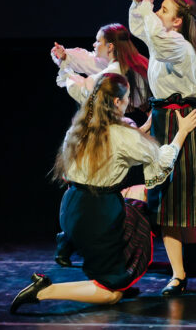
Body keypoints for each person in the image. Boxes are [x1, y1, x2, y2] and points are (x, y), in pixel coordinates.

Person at [10, 73, 196, 313]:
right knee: (111, 295)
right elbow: (160, 160)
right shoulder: (121, 135)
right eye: (127, 97)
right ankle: (45, 290)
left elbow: (116, 146)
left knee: (137, 203)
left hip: (71, 208)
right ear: (118, 102)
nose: (129, 102)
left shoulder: (80, 128)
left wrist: (141, 130)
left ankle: (104, 268)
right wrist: (182, 132)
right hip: (98, 214)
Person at [128, 0, 196, 295]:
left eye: (164, 10)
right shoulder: (162, 40)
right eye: (158, 9)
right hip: (163, 121)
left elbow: (155, 38)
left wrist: (146, 8)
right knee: (165, 200)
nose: (158, 13)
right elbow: (140, 28)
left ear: (177, 21)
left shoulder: (177, 45)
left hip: (187, 119)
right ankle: (178, 273)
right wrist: (139, 4)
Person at [50, 23, 152, 266]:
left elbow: (82, 89)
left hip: (100, 136)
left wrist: (66, 72)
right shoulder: (119, 67)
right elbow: (90, 61)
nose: (94, 44)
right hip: (102, 133)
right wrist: (66, 58)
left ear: (111, 47)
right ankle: (71, 239)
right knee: (91, 185)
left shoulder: (112, 74)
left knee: (90, 185)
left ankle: (74, 239)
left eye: (99, 41)